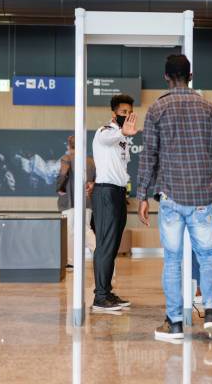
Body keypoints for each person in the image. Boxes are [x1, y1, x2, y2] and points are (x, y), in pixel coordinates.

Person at [137, 54, 212, 341]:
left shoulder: (157, 109)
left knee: (173, 260)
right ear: (191, 75)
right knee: (208, 256)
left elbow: (148, 157)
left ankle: (174, 322)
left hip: (171, 197)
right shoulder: (210, 109)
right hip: (202, 196)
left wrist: (141, 195)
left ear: (166, 77)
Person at [91, 94, 138, 312]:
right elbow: (108, 139)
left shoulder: (123, 139)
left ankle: (107, 292)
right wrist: (122, 131)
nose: (127, 116)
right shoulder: (105, 132)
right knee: (105, 246)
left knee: (113, 246)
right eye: (123, 113)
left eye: (129, 112)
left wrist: (125, 136)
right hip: (105, 193)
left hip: (118, 194)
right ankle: (100, 297)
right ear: (114, 114)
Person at [56, 135, 96, 268]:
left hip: (69, 201)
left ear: (69, 145)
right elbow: (96, 180)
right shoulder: (91, 161)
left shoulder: (66, 158)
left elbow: (63, 174)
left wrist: (59, 187)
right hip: (87, 201)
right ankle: (98, 254)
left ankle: (71, 261)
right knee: (86, 229)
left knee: (69, 231)